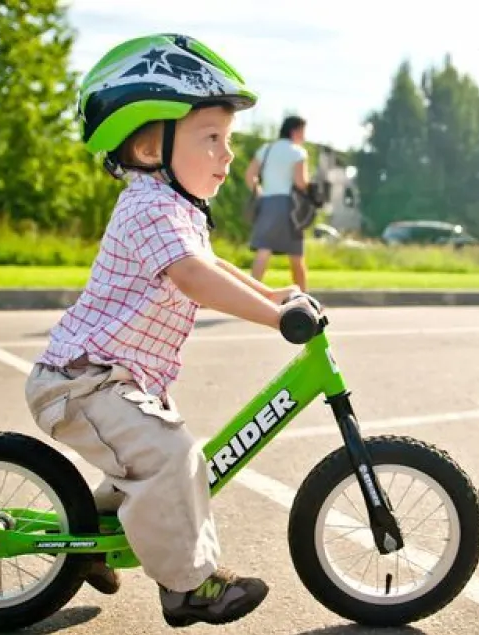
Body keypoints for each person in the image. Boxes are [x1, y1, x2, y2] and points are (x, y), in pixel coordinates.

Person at [23, 34, 320, 628]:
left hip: (115, 382)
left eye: (228, 140)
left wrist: (271, 293)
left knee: (159, 464)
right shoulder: (148, 207)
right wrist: (274, 317)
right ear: (147, 144)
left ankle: (84, 543)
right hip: (83, 384)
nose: (228, 155)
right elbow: (193, 278)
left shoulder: (175, 207)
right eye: (211, 138)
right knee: (173, 459)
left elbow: (211, 265)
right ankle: (191, 587)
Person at [245, 115, 311, 291]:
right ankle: (304, 297)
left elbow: (250, 175)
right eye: (303, 131)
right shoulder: (297, 152)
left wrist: (259, 191)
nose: (304, 136)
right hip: (289, 205)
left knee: (263, 249)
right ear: (295, 131)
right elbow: (300, 182)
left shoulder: (266, 149)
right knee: (296, 255)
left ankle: (253, 293)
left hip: (267, 202)